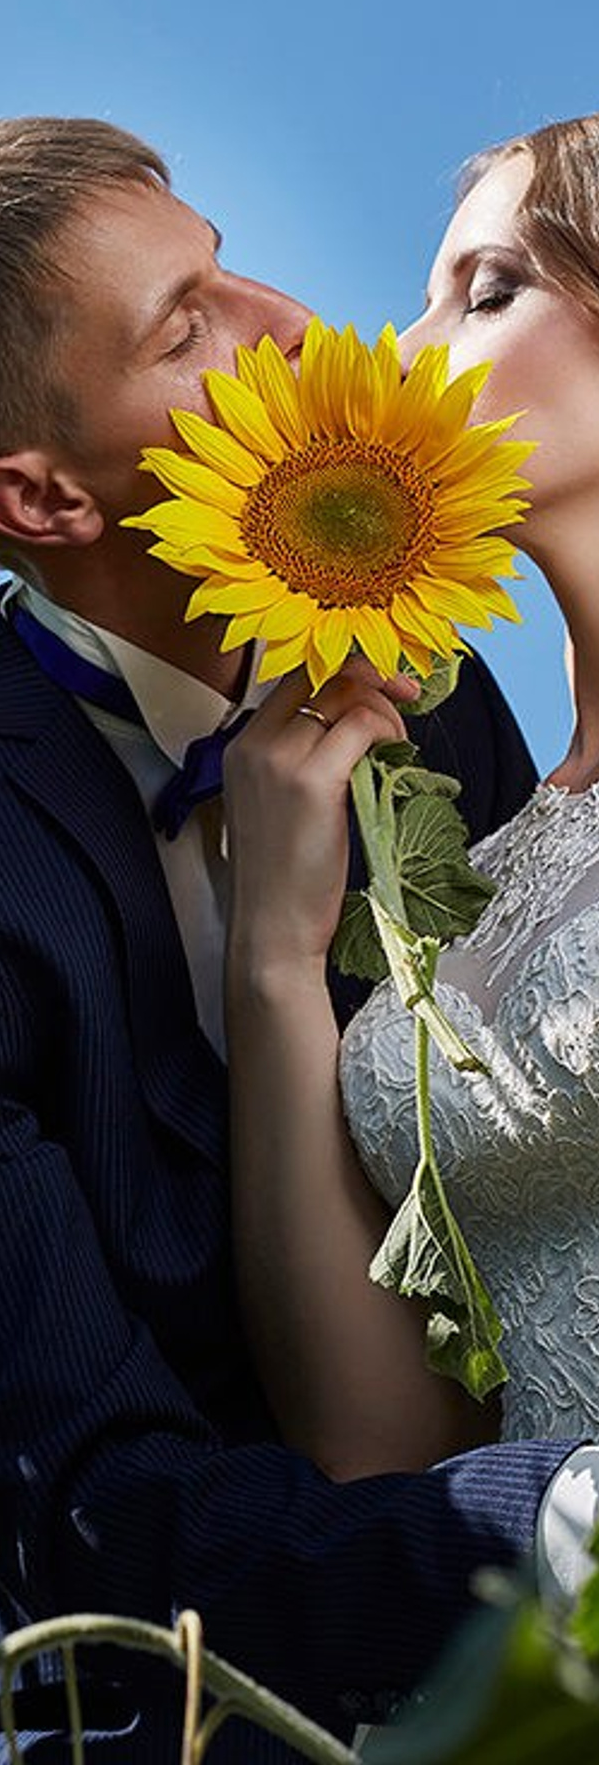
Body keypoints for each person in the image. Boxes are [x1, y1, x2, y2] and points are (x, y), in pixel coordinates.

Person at [0, 116, 576, 1763]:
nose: (286, 326)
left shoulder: (436, 695)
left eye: (225, 260)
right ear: (41, 495)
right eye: (186, 324)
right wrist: (557, 1529)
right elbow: (89, 1504)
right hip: (177, 1717)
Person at [224, 114, 599, 1498]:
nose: (398, 350)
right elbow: (378, 1449)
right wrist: (271, 954)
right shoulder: (495, 859)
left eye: (489, 290)